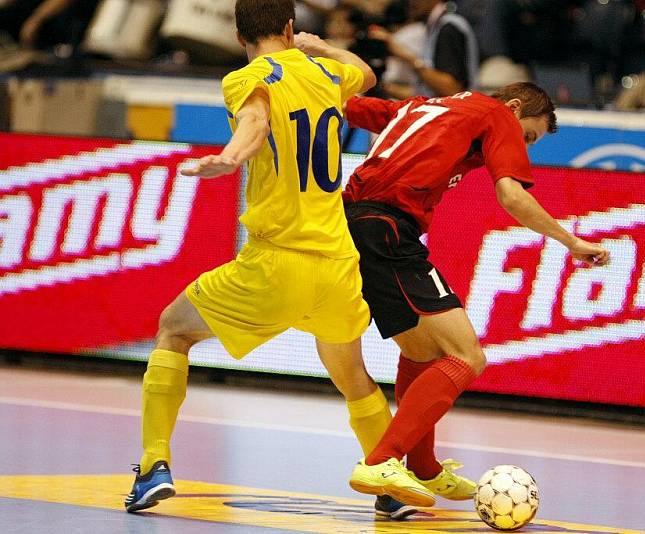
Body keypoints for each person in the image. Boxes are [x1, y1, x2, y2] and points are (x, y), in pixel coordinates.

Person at [124, 0, 430, 517]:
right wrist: (322, 46)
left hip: (278, 259)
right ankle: (389, 482)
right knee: (352, 374)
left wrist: (232, 157)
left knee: (173, 329)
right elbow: (367, 73)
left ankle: (154, 464)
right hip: (336, 262)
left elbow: (256, 121)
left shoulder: (245, 77)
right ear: (291, 28)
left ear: (240, 35)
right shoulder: (324, 72)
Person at [342, 83, 611, 505]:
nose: (520, 145)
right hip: (389, 226)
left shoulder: (424, 107)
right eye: (527, 137)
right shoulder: (496, 114)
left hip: (355, 222)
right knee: (467, 356)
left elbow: (346, 106)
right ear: (515, 107)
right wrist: (570, 242)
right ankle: (381, 461)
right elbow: (511, 196)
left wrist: (318, 56)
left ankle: (422, 470)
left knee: (421, 353)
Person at [370, 0, 479, 98]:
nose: (410, 2)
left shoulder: (449, 27)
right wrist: (385, 88)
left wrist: (406, 57)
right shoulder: (434, 26)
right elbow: (426, 94)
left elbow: (452, 90)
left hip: (456, 114)